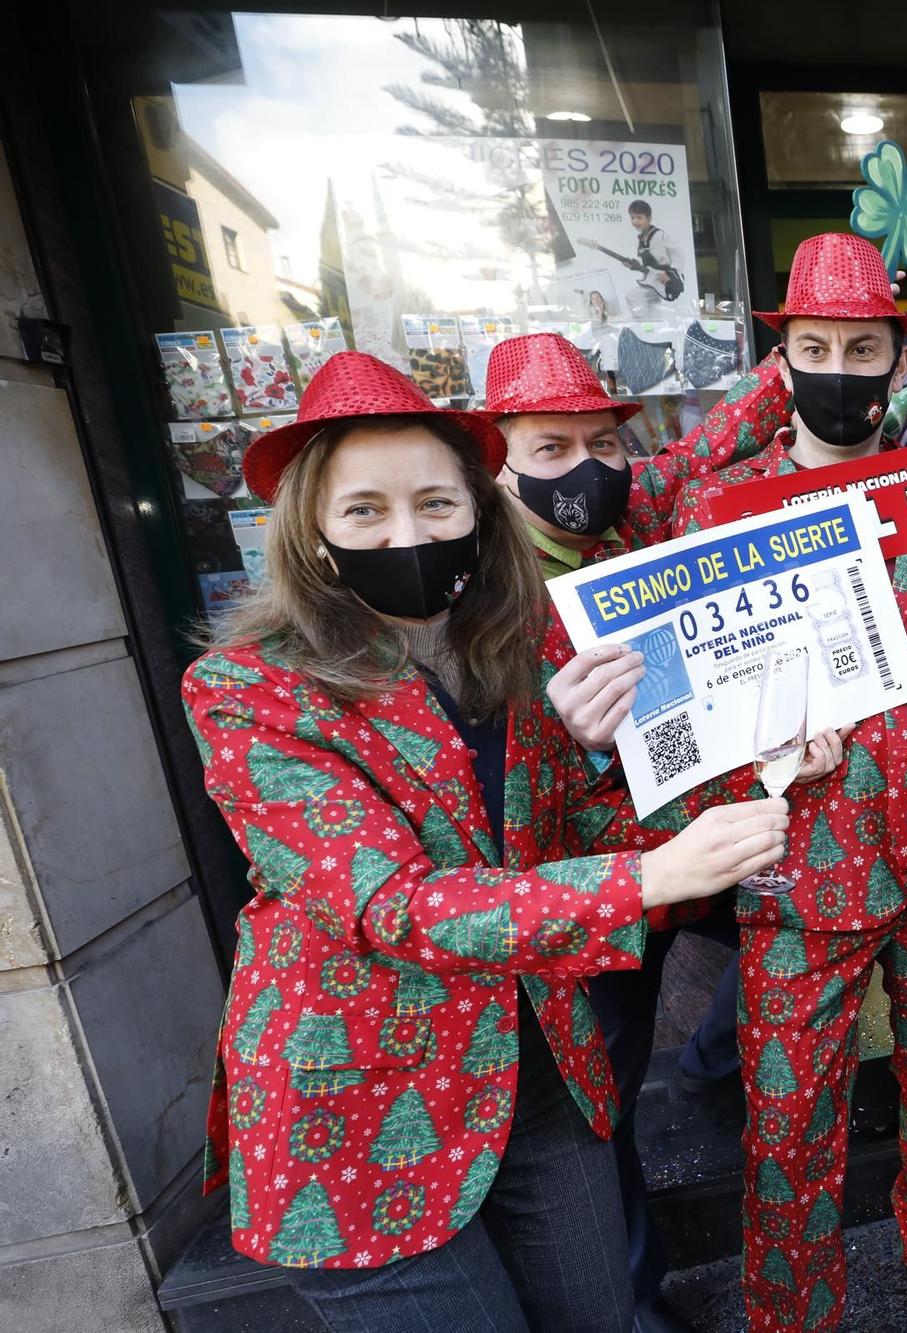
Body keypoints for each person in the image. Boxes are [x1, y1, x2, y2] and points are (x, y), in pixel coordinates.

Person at [182, 350, 790, 1329]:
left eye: (434, 502)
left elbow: (573, 830)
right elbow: (392, 902)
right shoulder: (249, 688)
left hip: (540, 1069)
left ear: (477, 507)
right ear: (316, 534)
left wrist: (756, 768)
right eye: (365, 509)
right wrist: (646, 875)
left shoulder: (519, 642)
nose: (408, 530)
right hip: (368, 1106)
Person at [645, 232, 907, 1333]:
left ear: (896, 360)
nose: (841, 368)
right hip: (796, 869)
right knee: (785, 1131)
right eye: (816, 346)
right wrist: (763, 758)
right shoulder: (716, 508)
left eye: (864, 346)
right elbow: (686, 706)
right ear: (781, 362)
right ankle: (794, 1316)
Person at [481, 330, 784, 1332]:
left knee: (802, 930)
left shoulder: (637, 508)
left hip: (705, 842)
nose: (582, 468)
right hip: (599, 885)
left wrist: (813, 358)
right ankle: (635, 1294)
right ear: (502, 460)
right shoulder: (476, 589)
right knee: (597, 1103)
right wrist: (557, 732)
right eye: (550, 449)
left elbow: (710, 445)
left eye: (599, 443)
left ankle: (709, 1058)